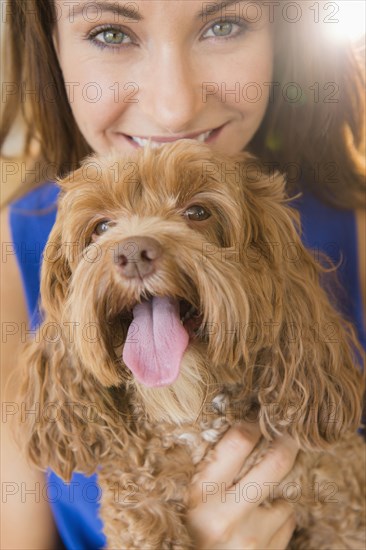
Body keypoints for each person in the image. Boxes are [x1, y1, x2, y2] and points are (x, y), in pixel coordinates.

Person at [1, 1, 364, 548]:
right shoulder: (13, 263)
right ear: (51, 44)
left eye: (223, 25)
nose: (174, 109)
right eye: (109, 33)